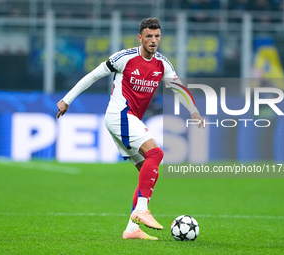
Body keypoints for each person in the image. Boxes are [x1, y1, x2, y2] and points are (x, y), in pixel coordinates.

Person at [56, 17, 204, 240]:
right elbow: (93, 75)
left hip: (130, 119)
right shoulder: (124, 58)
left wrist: (193, 110)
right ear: (140, 38)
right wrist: (67, 100)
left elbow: (179, 88)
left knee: (148, 170)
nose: (153, 41)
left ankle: (132, 229)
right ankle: (142, 210)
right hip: (120, 115)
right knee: (157, 153)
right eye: (148, 37)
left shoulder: (162, 64)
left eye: (157, 36)